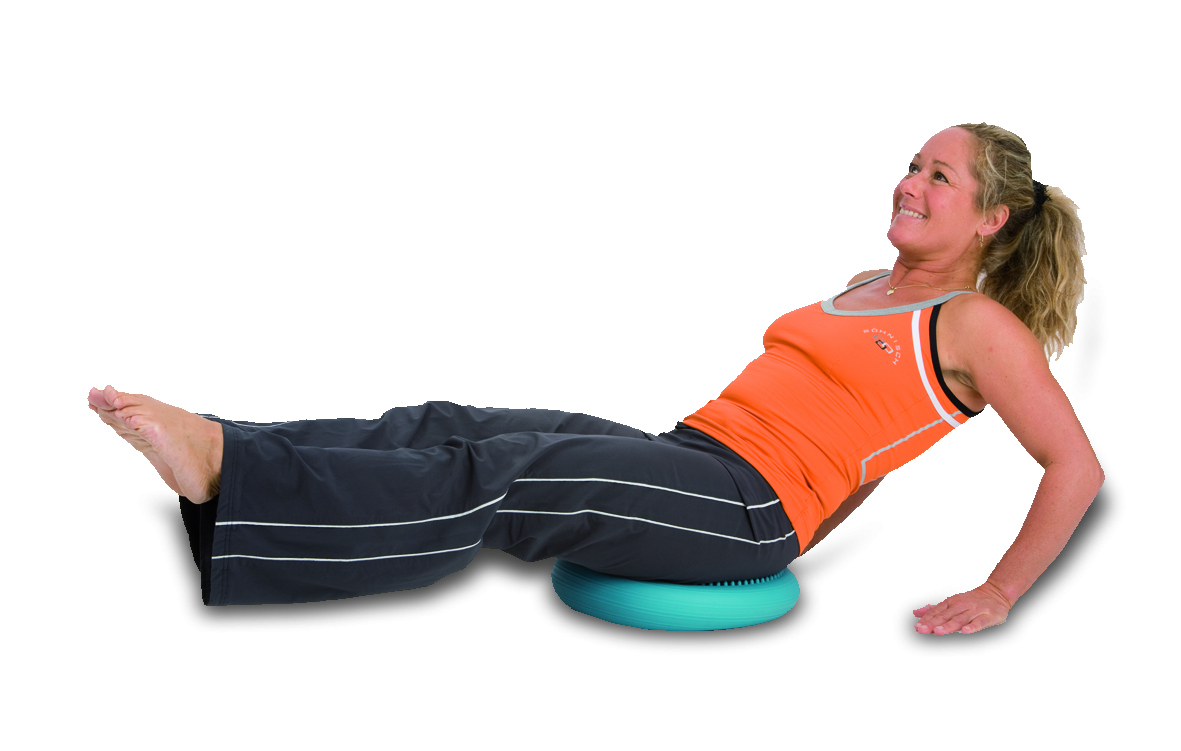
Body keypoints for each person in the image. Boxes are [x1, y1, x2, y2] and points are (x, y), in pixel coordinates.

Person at [88, 123, 1103, 635]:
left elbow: (1074, 467)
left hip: (743, 507)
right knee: (460, 421)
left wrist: (998, 592)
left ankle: (233, 480)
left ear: (990, 219)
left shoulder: (976, 325)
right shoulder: (863, 287)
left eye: (938, 176)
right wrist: (818, 522)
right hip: (694, 457)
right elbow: (869, 447)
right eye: (912, 163)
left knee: (515, 475)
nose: (908, 182)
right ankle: (232, 449)